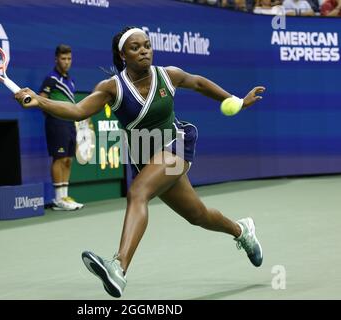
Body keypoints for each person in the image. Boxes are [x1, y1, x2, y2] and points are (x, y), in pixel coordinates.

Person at [16, 27, 265, 298]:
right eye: (135, 48)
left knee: (137, 192)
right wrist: (40, 100)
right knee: (198, 215)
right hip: (146, 156)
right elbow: (78, 111)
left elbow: (199, 83)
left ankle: (118, 267)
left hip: (176, 144)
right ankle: (242, 231)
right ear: (123, 55)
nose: (144, 50)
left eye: (147, 45)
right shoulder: (112, 87)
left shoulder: (167, 75)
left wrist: (236, 100)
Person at [39, 44, 83, 211]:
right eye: (63, 58)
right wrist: (52, 116)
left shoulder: (70, 80)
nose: (66, 62)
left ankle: (65, 196)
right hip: (56, 123)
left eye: (69, 59)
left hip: (70, 123)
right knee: (59, 158)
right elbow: (41, 99)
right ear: (56, 59)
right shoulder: (51, 79)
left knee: (68, 160)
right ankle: (58, 199)